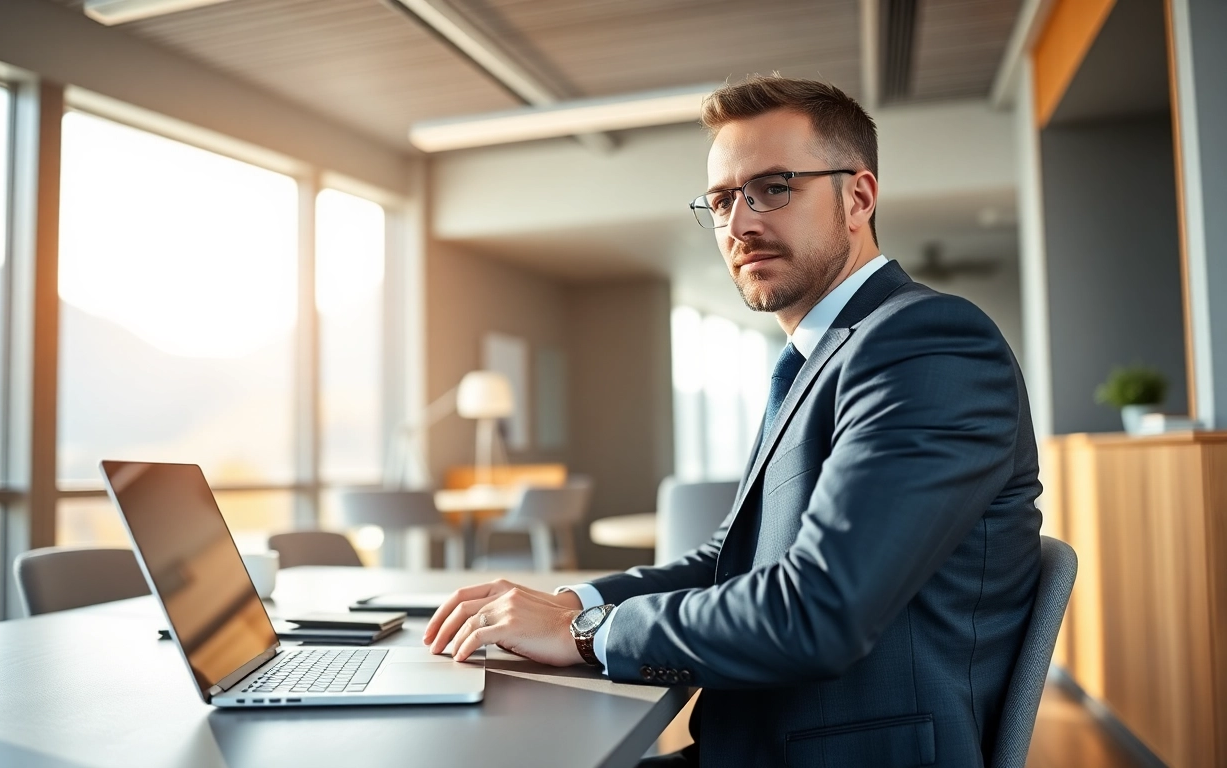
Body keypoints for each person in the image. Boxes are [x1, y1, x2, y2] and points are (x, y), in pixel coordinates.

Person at [423, 74, 1042, 767]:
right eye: (721, 200)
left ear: (858, 197)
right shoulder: (820, 358)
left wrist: (587, 631)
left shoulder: (926, 342)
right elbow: (726, 561)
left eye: (774, 187)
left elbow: (819, 613)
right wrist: (564, 601)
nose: (740, 223)